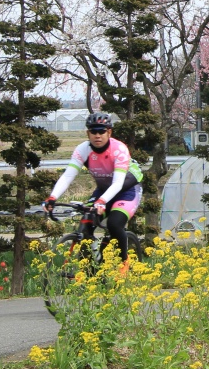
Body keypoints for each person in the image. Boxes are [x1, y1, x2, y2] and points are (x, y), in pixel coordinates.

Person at [44, 111, 144, 263]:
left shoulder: (119, 149)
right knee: (87, 220)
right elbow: (67, 176)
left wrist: (102, 201)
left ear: (109, 132)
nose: (98, 135)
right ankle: (90, 269)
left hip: (127, 190)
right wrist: (52, 197)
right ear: (88, 133)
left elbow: (117, 183)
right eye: (93, 131)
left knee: (114, 224)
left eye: (102, 131)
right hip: (104, 190)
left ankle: (124, 261)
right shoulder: (82, 150)